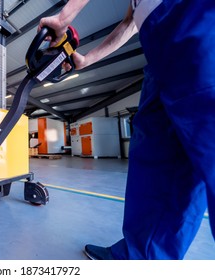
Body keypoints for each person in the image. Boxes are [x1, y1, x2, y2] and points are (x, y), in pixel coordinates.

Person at [39, 0, 215, 259]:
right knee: (159, 164)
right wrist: (86, 60)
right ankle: (140, 257)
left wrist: (65, 16)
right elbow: (128, 24)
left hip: (198, 18)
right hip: (158, 48)